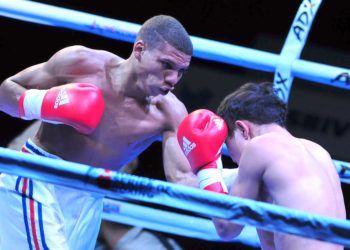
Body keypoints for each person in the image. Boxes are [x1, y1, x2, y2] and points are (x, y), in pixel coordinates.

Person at [0, 15, 197, 250]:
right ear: (140, 49)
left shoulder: (170, 113)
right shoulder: (80, 64)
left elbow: (182, 178)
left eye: (181, 71)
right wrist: (44, 103)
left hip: (90, 198)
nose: (173, 79)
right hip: (39, 177)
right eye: (166, 65)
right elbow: (5, 92)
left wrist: (222, 181)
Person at [177, 82, 346, 250]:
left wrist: (207, 168)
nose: (236, 161)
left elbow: (226, 228)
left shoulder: (258, 148)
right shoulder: (319, 152)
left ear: (243, 129)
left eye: (229, 147)